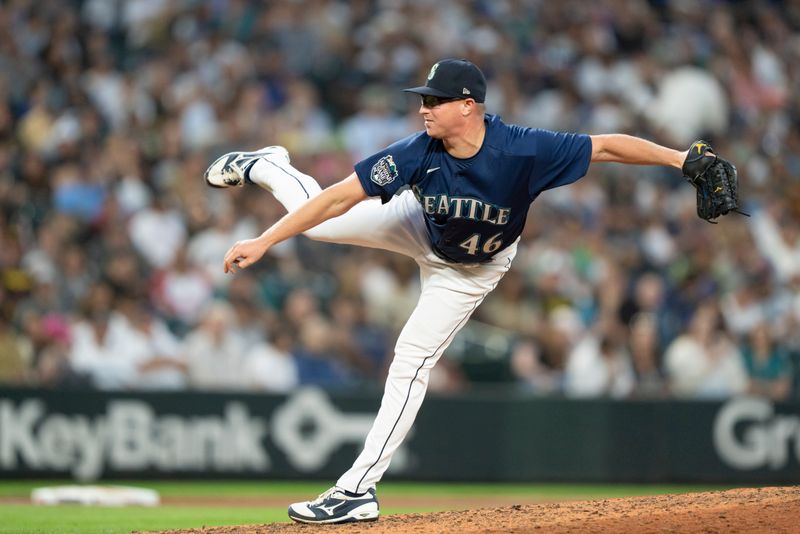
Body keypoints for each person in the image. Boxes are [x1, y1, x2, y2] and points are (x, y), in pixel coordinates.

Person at [205, 59, 696, 524]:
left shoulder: (523, 149)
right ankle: (269, 166)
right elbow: (337, 197)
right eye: (424, 99)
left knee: (411, 358)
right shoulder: (417, 150)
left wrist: (680, 160)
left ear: (468, 105)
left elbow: (607, 146)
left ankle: (356, 491)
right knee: (318, 224)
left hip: (472, 269)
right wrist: (267, 239)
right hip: (418, 225)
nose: (424, 108)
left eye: (435, 100)